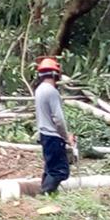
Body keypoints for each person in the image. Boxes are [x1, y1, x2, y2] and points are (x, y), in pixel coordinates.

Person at [34, 56, 74, 194]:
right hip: (53, 135)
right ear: (55, 74)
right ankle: (45, 193)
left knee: (50, 167)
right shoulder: (52, 92)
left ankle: (46, 192)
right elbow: (58, 118)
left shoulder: (39, 90)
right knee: (60, 171)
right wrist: (66, 137)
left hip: (44, 134)